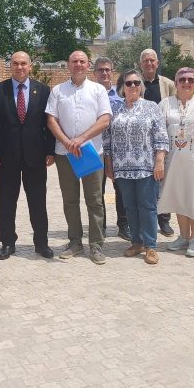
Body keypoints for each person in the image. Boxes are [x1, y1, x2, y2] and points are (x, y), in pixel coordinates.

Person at [0, 51, 56, 260]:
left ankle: (41, 243)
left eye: (23, 63)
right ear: (10, 67)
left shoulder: (43, 91)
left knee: (38, 202)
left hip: (36, 156)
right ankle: (7, 242)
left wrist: (50, 151)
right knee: (6, 202)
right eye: (15, 63)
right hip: (7, 157)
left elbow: (50, 124)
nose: (19, 67)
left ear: (30, 66)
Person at [46, 50, 112, 264]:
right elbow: (51, 119)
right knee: (70, 200)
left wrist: (81, 138)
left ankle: (96, 245)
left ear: (88, 65)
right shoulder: (58, 91)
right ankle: (75, 242)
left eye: (82, 61)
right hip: (65, 153)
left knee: (94, 200)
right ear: (68, 64)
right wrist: (66, 141)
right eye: (74, 61)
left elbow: (104, 119)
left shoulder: (98, 90)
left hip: (91, 152)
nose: (78, 65)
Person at [104, 69, 169, 264]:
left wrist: (159, 162)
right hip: (122, 167)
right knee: (130, 207)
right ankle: (136, 242)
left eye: (136, 83)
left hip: (146, 167)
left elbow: (161, 136)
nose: (133, 86)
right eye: (128, 83)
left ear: (141, 86)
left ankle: (151, 246)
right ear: (122, 87)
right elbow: (107, 139)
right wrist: (109, 165)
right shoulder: (115, 109)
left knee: (147, 206)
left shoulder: (151, 107)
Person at [158, 67, 194, 257]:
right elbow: (159, 131)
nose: (186, 83)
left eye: (190, 80)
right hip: (173, 159)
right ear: (175, 83)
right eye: (182, 80)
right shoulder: (165, 104)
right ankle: (183, 236)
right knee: (180, 196)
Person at [139, 48, 177, 236]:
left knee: (163, 179)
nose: (149, 63)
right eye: (145, 61)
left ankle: (164, 220)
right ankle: (145, 220)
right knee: (145, 181)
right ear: (140, 64)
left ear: (157, 63)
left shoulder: (168, 85)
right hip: (141, 142)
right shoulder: (134, 83)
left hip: (162, 139)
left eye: (152, 60)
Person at [92, 56, 129, 241]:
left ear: (112, 72)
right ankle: (101, 226)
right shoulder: (89, 94)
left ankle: (124, 225)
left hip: (118, 151)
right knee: (97, 191)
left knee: (121, 189)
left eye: (107, 70)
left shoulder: (121, 96)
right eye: (100, 70)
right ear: (94, 73)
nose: (104, 73)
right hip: (96, 149)